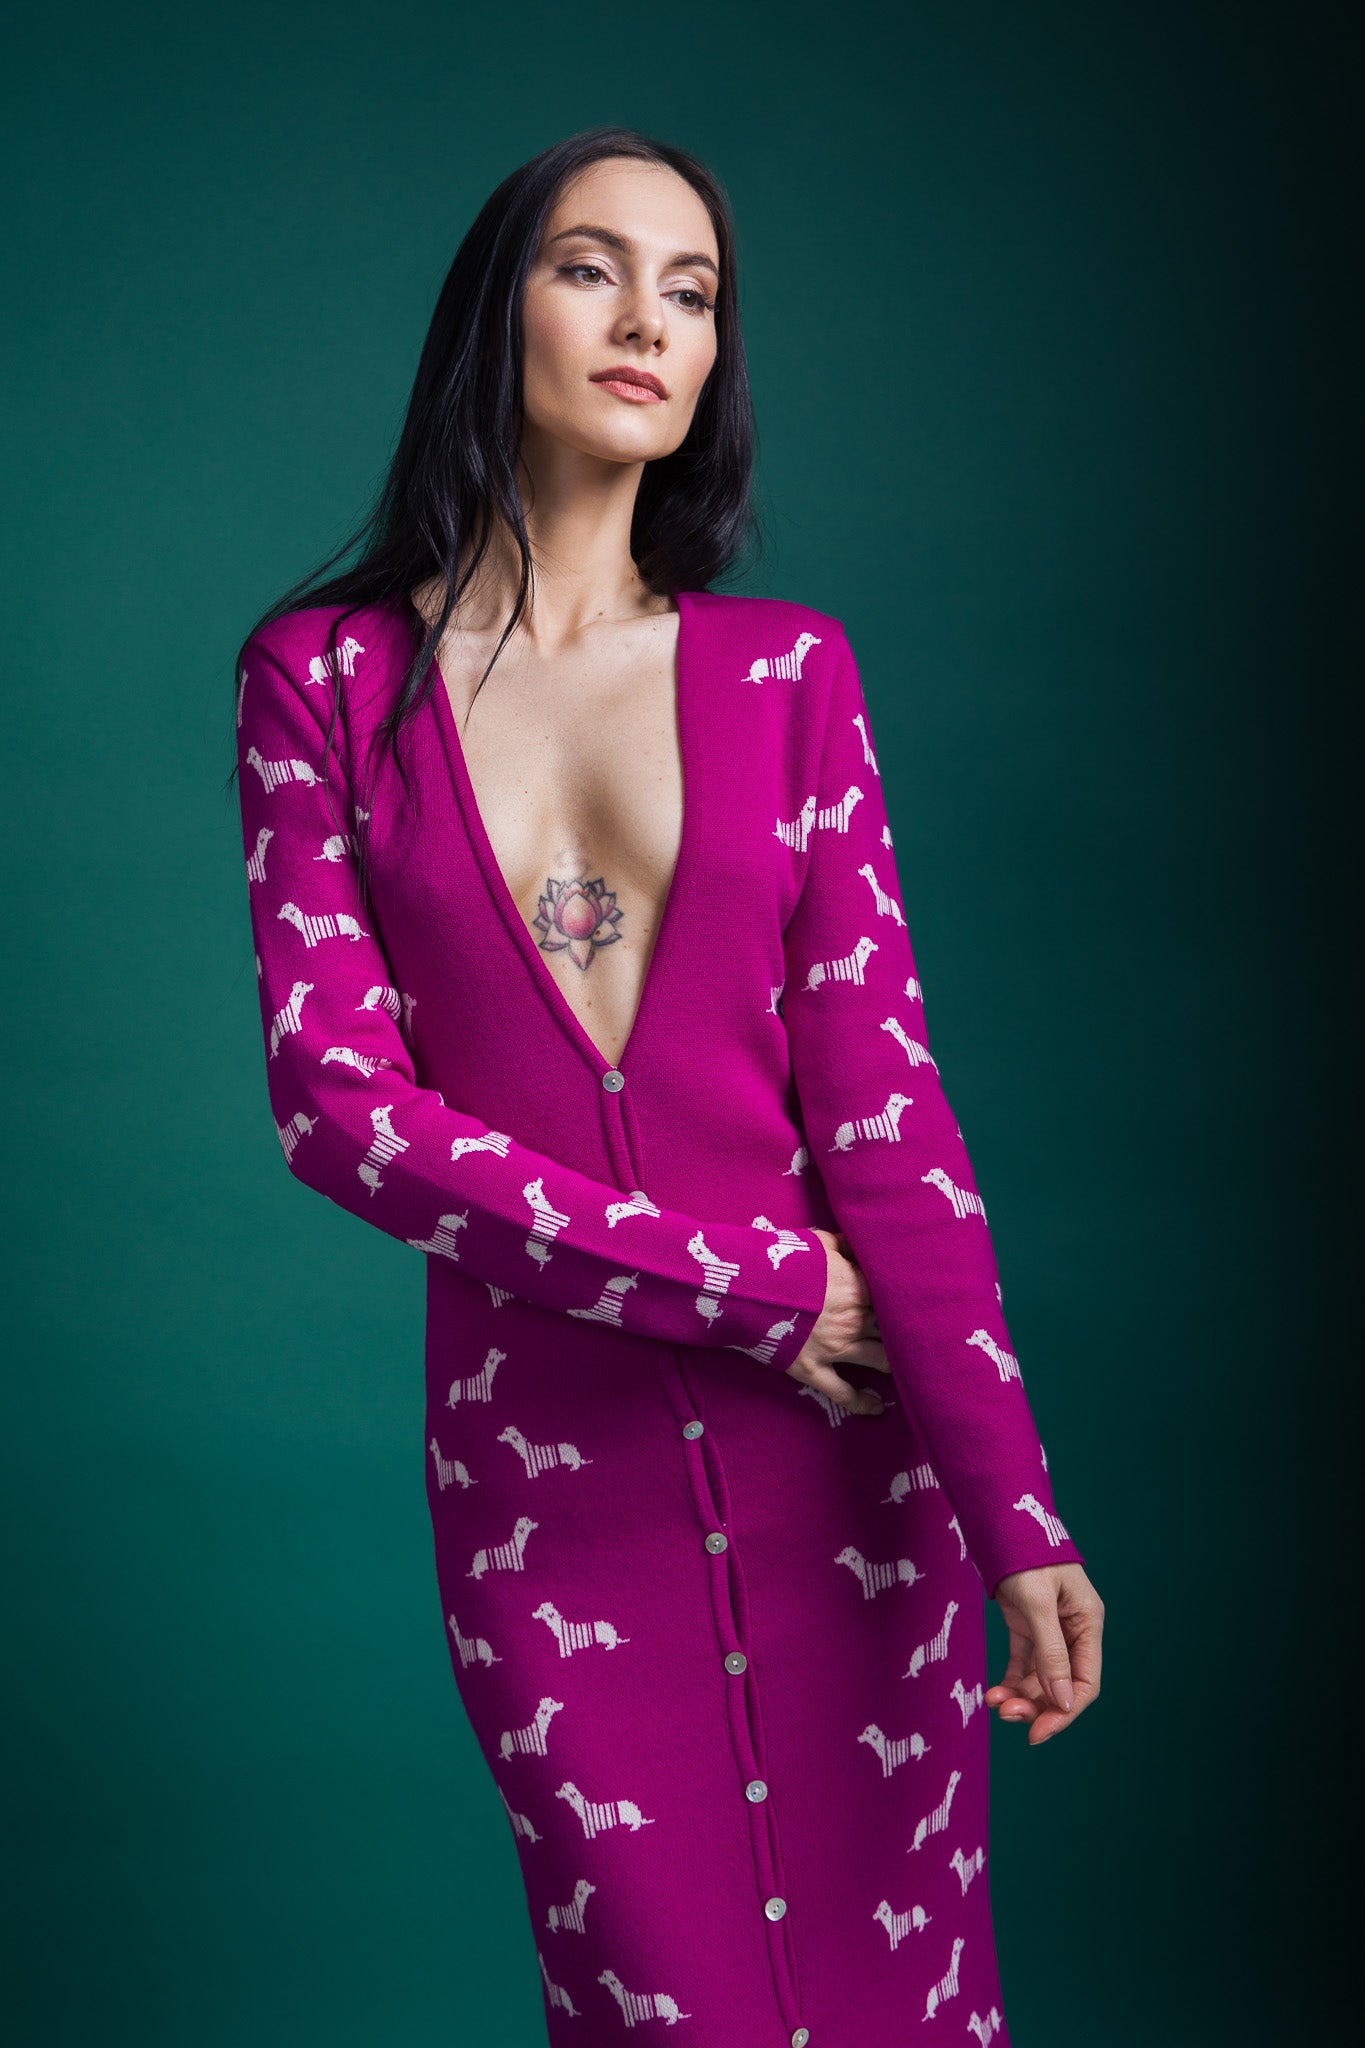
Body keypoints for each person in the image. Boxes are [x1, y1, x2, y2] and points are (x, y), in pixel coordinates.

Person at [232, 124, 1104, 2047]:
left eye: (690, 291)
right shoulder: (324, 685)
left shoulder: (790, 676)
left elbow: (889, 1123)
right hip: (559, 1509)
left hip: (849, 1488)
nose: (647, 320)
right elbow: (339, 1112)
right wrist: (752, 1288)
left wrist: (1015, 1509)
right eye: (591, 268)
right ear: (497, 313)